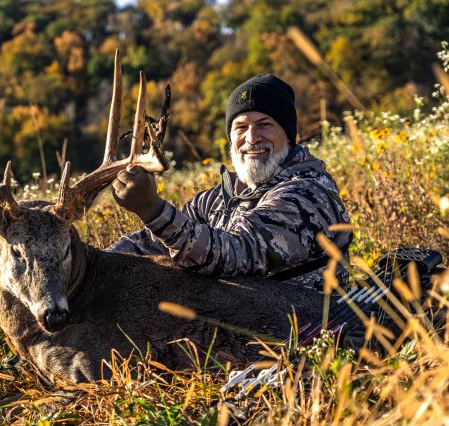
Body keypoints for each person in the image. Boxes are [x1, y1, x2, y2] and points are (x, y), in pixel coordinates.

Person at [109, 74, 351, 291]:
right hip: (233, 326)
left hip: (298, 333)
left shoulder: (307, 195)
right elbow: (154, 244)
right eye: (241, 127)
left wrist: (151, 209)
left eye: (265, 125)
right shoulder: (216, 199)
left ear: (287, 134)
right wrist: (88, 264)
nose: (252, 138)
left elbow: (234, 254)